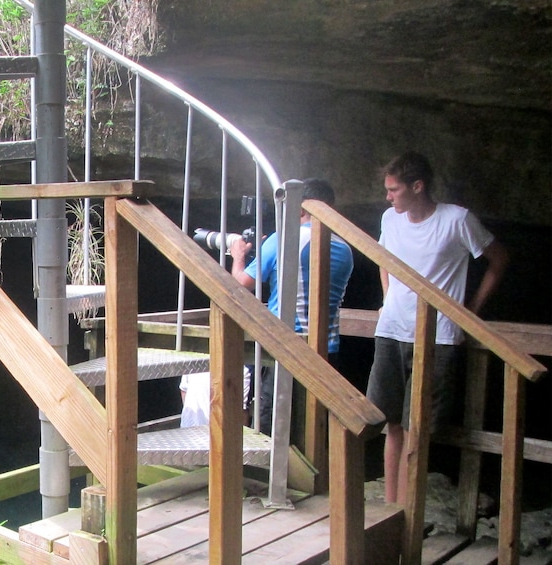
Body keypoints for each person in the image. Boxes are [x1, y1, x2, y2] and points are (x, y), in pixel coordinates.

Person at [366, 151, 508, 504]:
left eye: (394, 190)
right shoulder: (390, 218)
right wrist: (388, 296)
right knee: (390, 423)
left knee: (418, 427)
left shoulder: (456, 219)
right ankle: (390, 506)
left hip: (438, 335)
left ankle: (408, 509)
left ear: (418, 186)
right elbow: (385, 259)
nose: (388, 197)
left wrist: (469, 312)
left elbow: (499, 259)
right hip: (391, 329)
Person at [180, 178, 354, 433]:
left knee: (273, 425)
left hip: (285, 347)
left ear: (302, 208)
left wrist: (239, 256)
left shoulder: (285, 240)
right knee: (312, 427)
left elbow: (239, 285)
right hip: (328, 348)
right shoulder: (345, 247)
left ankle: (266, 473)